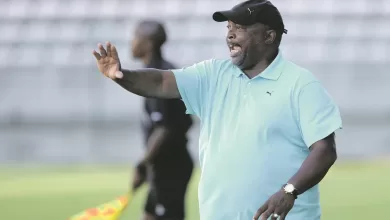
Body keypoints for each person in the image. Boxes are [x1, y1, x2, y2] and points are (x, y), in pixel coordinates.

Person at [92, 0, 342, 219]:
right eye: (229, 28)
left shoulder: (301, 84)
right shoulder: (212, 74)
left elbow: (324, 150)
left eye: (240, 28)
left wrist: (289, 191)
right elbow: (160, 81)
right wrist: (121, 75)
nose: (230, 35)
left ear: (269, 36)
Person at [129, 20, 194, 220]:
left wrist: (142, 164)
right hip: (164, 164)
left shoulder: (160, 77)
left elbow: (166, 127)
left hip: (171, 167)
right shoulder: (161, 71)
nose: (132, 42)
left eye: (136, 37)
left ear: (148, 43)